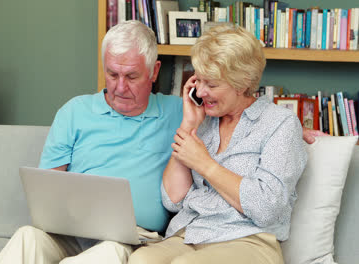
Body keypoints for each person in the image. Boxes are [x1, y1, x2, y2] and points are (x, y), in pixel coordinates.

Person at [0, 20, 183, 264]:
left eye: (131, 76)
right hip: (69, 235)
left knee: (109, 252)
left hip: (133, 239)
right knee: (27, 237)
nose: (120, 87)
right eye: (112, 74)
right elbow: (47, 190)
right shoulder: (74, 112)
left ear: (154, 72)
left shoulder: (178, 113)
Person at [128, 24, 308, 264]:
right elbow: (173, 199)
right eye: (198, 80)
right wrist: (189, 126)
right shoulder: (205, 123)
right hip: (190, 233)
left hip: (248, 240)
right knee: (142, 260)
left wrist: (205, 164)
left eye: (211, 85)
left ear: (242, 83)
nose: (200, 92)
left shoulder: (280, 123)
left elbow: (267, 207)